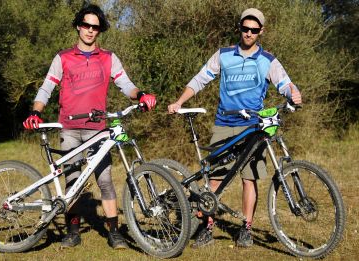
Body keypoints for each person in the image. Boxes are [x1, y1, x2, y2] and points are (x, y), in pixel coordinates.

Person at [23, 4, 156, 249]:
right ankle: (72, 232)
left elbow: (125, 84)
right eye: (86, 25)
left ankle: (114, 232)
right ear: (78, 26)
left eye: (95, 27)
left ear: (100, 30)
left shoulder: (108, 58)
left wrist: (141, 95)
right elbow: (46, 88)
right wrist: (36, 111)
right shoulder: (63, 57)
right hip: (70, 128)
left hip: (98, 129)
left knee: (105, 180)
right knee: (72, 181)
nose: (90, 30)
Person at [168, 8, 302, 248]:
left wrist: (294, 92)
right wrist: (180, 101)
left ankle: (246, 229)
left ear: (261, 31)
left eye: (254, 30)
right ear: (239, 28)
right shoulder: (224, 55)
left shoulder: (267, 60)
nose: (249, 33)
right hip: (224, 124)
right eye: (245, 28)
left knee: (249, 180)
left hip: (253, 127)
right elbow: (201, 78)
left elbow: (284, 82)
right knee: (216, 180)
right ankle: (207, 227)